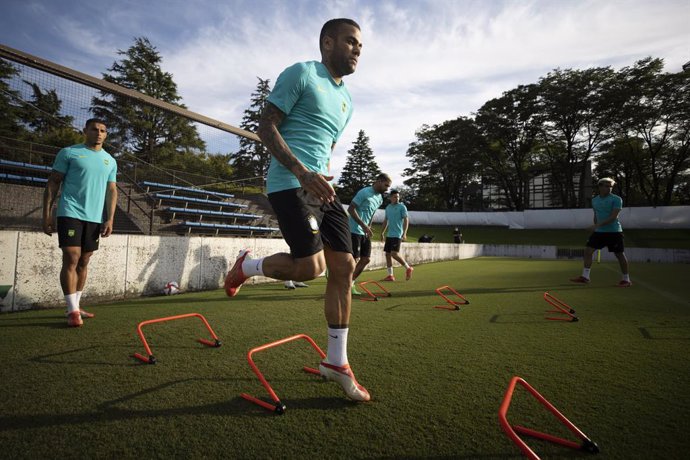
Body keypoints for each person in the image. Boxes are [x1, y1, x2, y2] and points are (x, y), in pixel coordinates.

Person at [224, 18, 369, 402]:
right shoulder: (302, 73)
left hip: (323, 188)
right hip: (290, 182)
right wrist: (301, 171)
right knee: (311, 268)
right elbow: (266, 125)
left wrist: (320, 173)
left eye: (360, 46)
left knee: (345, 267)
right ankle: (247, 267)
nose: (357, 50)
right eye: (351, 42)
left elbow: (327, 145)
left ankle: (336, 362)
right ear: (328, 42)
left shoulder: (347, 100)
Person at [42, 118, 118, 327]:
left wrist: (109, 218)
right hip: (70, 212)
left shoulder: (110, 161)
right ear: (85, 131)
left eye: (103, 130)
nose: (99, 133)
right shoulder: (69, 152)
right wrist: (46, 214)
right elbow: (53, 183)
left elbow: (112, 190)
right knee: (72, 257)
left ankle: (75, 305)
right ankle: (72, 311)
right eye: (94, 129)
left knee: (84, 261)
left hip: (94, 217)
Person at [571, 177, 631, 287]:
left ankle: (626, 280)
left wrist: (596, 225)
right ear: (600, 186)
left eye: (611, 186)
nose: (609, 188)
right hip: (599, 232)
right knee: (588, 251)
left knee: (619, 254)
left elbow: (613, 217)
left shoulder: (617, 199)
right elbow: (596, 215)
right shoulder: (595, 200)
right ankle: (585, 277)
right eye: (606, 186)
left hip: (614, 232)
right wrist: (595, 227)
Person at [348, 173, 392, 294]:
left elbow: (371, 213)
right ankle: (344, 283)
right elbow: (350, 209)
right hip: (354, 229)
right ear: (378, 181)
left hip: (365, 231)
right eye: (386, 185)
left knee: (366, 259)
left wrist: (369, 227)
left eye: (389, 186)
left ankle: (350, 282)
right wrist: (363, 225)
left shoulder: (380, 198)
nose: (387, 188)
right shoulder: (364, 192)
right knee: (354, 259)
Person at [380, 190, 413, 281]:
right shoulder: (388, 208)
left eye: (398, 197)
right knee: (387, 254)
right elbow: (386, 221)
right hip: (389, 235)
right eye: (394, 197)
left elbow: (406, 220)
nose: (397, 198)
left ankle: (408, 268)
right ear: (390, 197)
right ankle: (390, 275)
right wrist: (382, 232)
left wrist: (404, 233)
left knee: (394, 254)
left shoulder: (402, 207)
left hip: (397, 234)